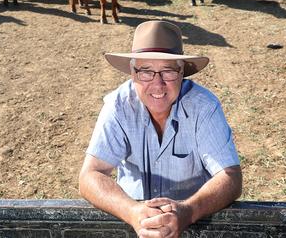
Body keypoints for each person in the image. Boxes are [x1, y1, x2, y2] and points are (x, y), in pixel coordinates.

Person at [79, 20, 242, 238]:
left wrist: (188, 211)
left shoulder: (204, 107)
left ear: (182, 72)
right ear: (132, 72)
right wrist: (133, 212)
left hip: (193, 224)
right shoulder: (118, 106)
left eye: (168, 71)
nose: (157, 84)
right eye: (146, 71)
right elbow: (90, 175)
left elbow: (231, 177)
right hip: (132, 223)